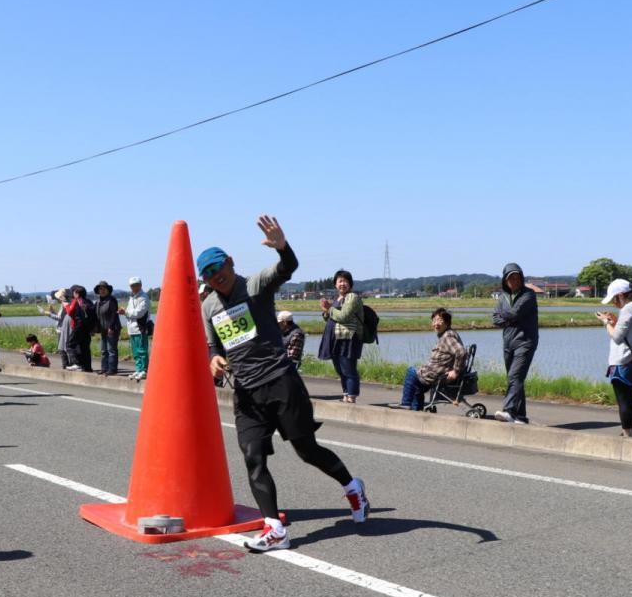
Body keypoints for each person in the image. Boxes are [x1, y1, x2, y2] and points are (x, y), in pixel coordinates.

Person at [200, 215, 369, 552]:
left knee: (306, 450)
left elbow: (287, 267)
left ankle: (352, 486)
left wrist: (282, 248)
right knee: (253, 456)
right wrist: (214, 360)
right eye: (210, 277)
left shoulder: (255, 286)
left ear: (231, 262)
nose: (217, 279)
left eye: (220, 271)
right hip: (246, 391)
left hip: (281, 381)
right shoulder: (208, 306)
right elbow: (214, 345)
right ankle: (274, 529)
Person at [594, 279, 632, 438]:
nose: (613, 302)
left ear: (620, 296)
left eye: (614, 298)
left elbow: (617, 337)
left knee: (623, 400)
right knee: (630, 398)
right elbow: (631, 331)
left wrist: (606, 322)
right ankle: (631, 431)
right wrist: (615, 321)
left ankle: (627, 434)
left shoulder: (627, 310)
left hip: (623, 360)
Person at [388, 308, 466, 410]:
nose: (436, 324)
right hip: (438, 373)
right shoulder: (448, 334)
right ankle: (416, 408)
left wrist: (456, 371)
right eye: (434, 321)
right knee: (417, 385)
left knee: (411, 372)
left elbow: (461, 352)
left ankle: (406, 403)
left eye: (439, 321)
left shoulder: (447, 337)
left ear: (447, 323)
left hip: (438, 375)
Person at [492, 262, 538, 423]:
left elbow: (514, 313)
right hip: (508, 342)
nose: (514, 280)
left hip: (525, 341)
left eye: (517, 277)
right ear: (505, 280)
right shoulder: (503, 297)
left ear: (521, 278)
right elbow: (495, 319)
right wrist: (506, 317)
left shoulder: (529, 295)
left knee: (514, 375)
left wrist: (505, 316)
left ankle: (509, 410)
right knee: (516, 379)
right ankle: (521, 416)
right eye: (510, 277)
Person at [318, 270, 364, 403]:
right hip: (335, 338)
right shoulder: (337, 298)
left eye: (345, 281)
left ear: (350, 284)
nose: (342, 284)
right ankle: (345, 394)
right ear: (335, 284)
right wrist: (326, 310)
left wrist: (329, 309)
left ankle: (352, 396)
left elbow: (344, 316)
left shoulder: (352, 298)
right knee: (340, 369)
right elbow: (330, 318)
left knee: (348, 368)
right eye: (340, 281)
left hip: (348, 338)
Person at [123, 277, 151, 380]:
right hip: (132, 329)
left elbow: (139, 313)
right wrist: (125, 312)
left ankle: (144, 370)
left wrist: (126, 313)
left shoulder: (143, 297)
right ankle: (139, 369)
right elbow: (129, 311)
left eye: (136, 285)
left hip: (141, 328)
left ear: (140, 285)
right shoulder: (132, 297)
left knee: (142, 350)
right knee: (135, 352)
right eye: (132, 285)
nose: (134, 287)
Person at [65, 285, 94, 372]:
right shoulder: (89, 302)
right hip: (87, 328)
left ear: (77, 294)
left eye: (74, 292)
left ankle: (76, 363)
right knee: (84, 348)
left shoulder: (77, 301)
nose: (73, 294)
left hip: (79, 326)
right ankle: (87, 367)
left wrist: (66, 305)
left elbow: (70, 312)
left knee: (70, 344)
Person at [94, 281, 121, 376]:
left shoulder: (112, 300)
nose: (102, 290)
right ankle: (104, 368)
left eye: (104, 289)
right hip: (103, 329)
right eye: (100, 289)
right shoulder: (98, 302)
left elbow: (114, 315)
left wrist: (111, 327)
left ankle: (112, 369)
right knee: (103, 350)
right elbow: (96, 315)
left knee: (111, 350)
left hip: (112, 328)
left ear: (108, 290)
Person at [41, 288, 73, 369]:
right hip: (64, 328)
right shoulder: (68, 303)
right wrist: (52, 312)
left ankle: (65, 365)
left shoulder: (64, 305)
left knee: (62, 348)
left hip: (61, 329)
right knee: (65, 348)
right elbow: (60, 316)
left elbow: (59, 318)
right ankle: (68, 364)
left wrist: (48, 314)